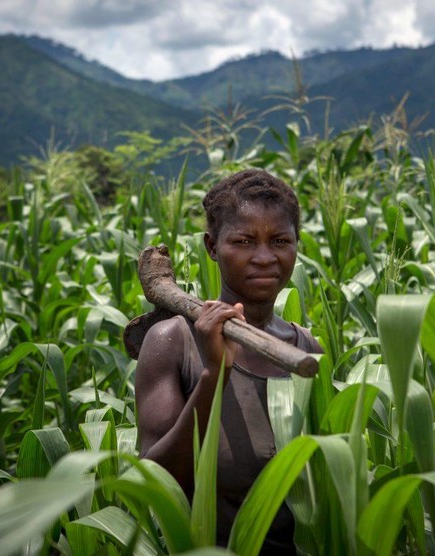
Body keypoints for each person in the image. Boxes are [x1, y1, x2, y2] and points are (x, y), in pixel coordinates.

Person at [135, 168, 322, 554]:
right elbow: (154, 483)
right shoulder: (173, 342)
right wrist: (213, 375)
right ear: (212, 246)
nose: (265, 257)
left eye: (280, 240)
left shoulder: (308, 353)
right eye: (244, 240)